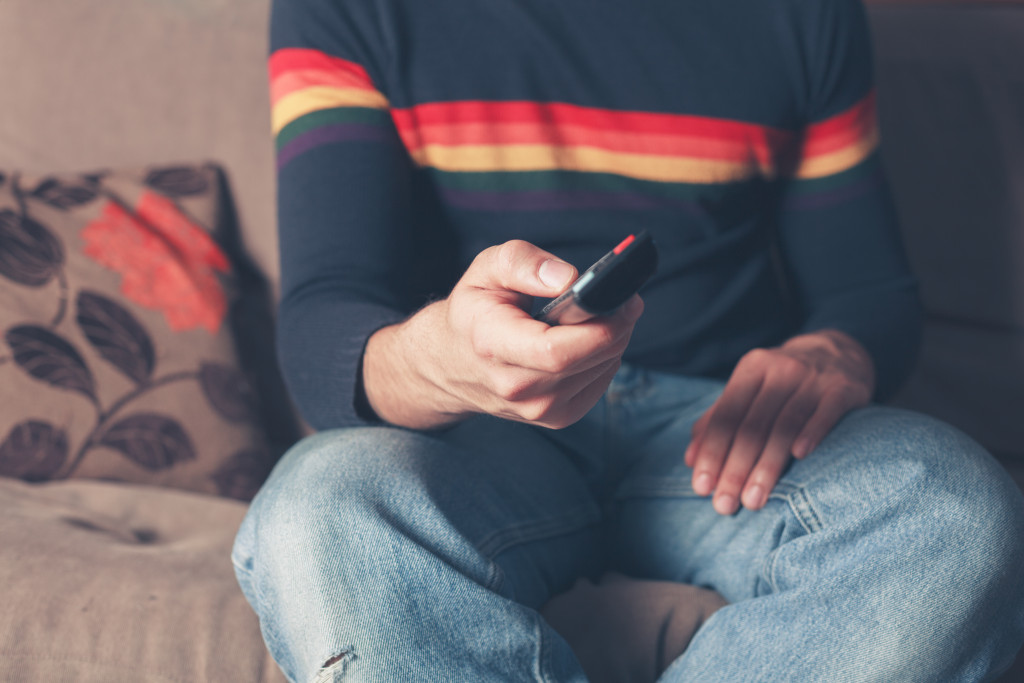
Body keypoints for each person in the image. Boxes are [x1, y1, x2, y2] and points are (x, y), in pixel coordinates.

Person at [232, 0, 1024, 679]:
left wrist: (836, 352)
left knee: (954, 515)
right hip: (475, 434)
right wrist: (437, 361)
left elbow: (868, 292)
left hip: (727, 435)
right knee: (318, 511)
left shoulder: (804, 12)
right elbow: (325, 318)